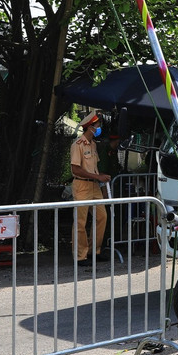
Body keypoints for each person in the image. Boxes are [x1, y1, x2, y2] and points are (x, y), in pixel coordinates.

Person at [70, 111, 111, 266]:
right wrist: (97, 177)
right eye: (97, 126)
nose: (99, 128)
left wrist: (101, 176)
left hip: (94, 186)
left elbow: (93, 169)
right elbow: (76, 169)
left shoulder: (93, 144)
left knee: (102, 217)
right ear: (90, 128)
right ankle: (80, 256)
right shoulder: (77, 145)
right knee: (80, 221)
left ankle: (95, 251)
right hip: (81, 185)